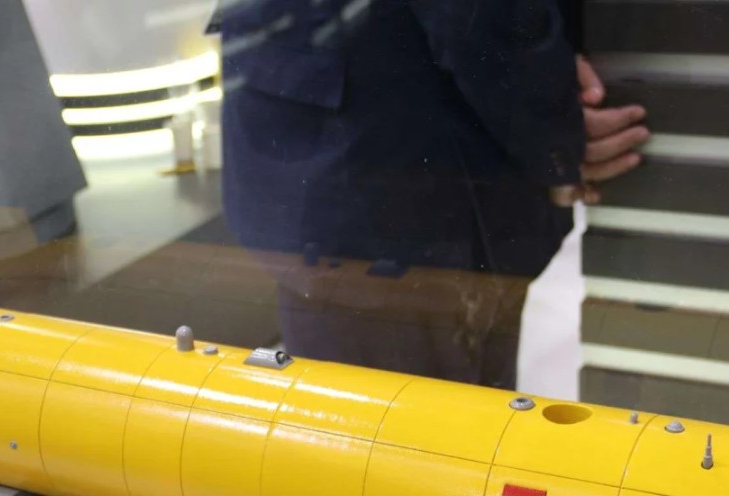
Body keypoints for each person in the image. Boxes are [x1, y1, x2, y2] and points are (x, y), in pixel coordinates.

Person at [216, 0, 646, 388]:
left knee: (383, 415)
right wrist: (559, 128)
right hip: (397, 166)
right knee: (413, 428)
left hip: (336, 131)